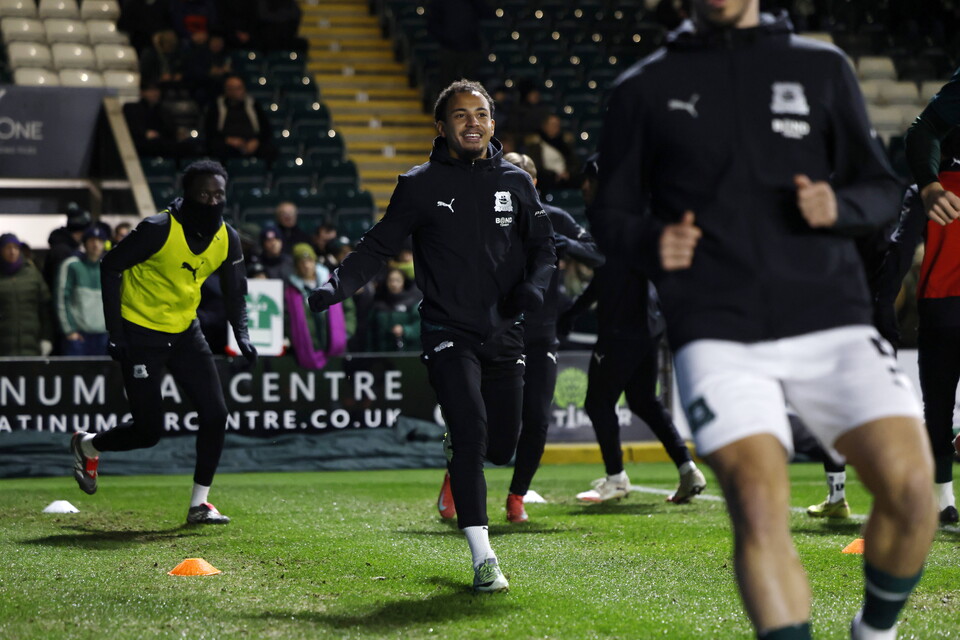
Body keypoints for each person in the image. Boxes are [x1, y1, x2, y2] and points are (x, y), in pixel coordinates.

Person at [594, 2, 936, 639]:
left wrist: (840, 202)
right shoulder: (642, 87)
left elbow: (883, 188)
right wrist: (650, 242)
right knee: (757, 502)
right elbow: (609, 215)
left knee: (915, 493)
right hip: (719, 331)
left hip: (832, 319)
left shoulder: (821, 67)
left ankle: (876, 632)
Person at [307, 80, 555, 592]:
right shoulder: (418, 183)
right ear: (441, 127)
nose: (472, 122)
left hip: (505, 333)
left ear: (492, 123)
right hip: (447, 330)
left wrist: (532, 288)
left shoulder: (517, 182)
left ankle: (464, 448)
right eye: (461, 115)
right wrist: (337, 285)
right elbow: (377, 247)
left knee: (503, 446)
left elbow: (545, 251)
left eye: (481, 114)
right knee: (471, 435)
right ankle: (483, 557)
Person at [70, 160, 257, 524]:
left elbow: (236, 292)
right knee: (148, 431)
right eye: (204, 194)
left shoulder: (227, 237)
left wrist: (243, 335)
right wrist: (116, 333)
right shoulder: (158, 228)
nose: (212, 200)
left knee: (216, 414)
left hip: (186, 332)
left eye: (218, 194)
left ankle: (199, 505)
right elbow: (110, 265)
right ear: (187, 194)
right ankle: (88, 445)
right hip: (141, 332)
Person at [556, 156, 707, 507]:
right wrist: (574, 312)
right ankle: (687, 469)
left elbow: (605, 263)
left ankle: (616, 478)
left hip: (624, 326)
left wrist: (570, 247)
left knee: (597, 401)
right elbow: (607, 277)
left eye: (588, 180)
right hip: (645, 324)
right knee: (643, 400)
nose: (583, 187)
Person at [496, 151, 605, 522]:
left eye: (522, 175)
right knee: (494, 421)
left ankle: (517, 496)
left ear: (534, 182)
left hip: (542, 334)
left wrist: (568, 245)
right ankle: (455, 474)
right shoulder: (486, 219)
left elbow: (598, 255)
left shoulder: (555, 219)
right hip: (497, 332)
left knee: (538, 419)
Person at [55, 226, 109, 356]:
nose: (96, 244)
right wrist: (69, 331)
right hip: (79, 336)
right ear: (84, 243)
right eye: (91, 240)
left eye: (100, 240)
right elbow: (62, 299)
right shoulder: (72, 265)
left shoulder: (109, 267)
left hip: (103, 336)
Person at [0, 233, 53, 357]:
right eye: (7, 248)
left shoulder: (33, 275)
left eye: (15, 248)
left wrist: (47, 338)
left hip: (31, 344)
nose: (12, 251)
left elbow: (45, 309)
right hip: (4, 347)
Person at [205, 74, 276, 161]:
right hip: (228, 144)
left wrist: (256, 141)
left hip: (251, 142)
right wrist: (229, 140)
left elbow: (266, 129)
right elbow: (210, 131)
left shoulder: (253, 104)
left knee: (270, 150)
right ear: (226, 90)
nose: (238, 92)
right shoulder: (216, 106)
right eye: (233, 89)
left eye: (239, 88)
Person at [368, 267, 421, 353]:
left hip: (408, 351)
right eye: (391, 280)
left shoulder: (412, 302)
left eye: (398, 280)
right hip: (382, 353)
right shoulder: (378, 303)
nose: (394, 284)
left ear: (404, 281)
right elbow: (370, 331)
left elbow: (419, 326)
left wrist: (405, 330)